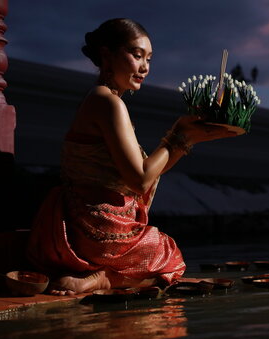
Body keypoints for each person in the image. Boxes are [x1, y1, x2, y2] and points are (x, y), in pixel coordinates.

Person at [26, 18, 236, 295]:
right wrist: (180, 136)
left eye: (149, 58)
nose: (145, 67)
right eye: (137, 55)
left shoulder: (103, 100)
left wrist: (184, 137)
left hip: (79, 226)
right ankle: (105, 279)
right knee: (169, 257)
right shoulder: (106, 102)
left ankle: (103, 275)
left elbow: (148, 173)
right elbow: (139, 179)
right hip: (97, 230)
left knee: (166, 258)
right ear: (106, 55)